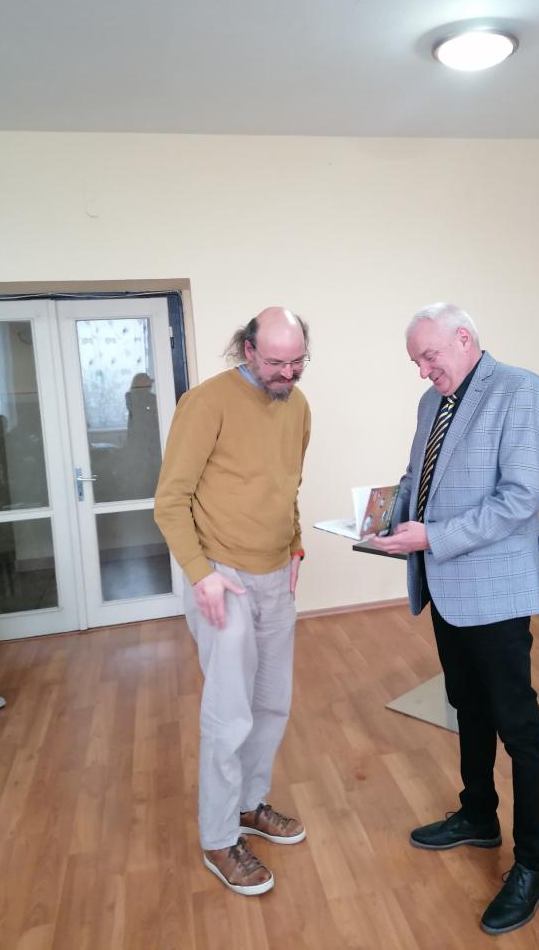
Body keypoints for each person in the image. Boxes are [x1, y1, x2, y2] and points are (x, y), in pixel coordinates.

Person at [372, 303, 539, 937]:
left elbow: (520, 499)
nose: (423, 371)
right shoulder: (432, 403)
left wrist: (432, 537)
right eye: (416, 362)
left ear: (465, 338)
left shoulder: (520, 390)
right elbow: (417, 478)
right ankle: (478, 815)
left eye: (429, 357)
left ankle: (534, 864)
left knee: (517, 726)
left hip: (495, 591)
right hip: (446, 586)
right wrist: (380, 520)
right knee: (467, 708)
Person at [154, 307, 311, 896]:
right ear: (247, 350)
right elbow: (170, 501)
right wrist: (201, 576)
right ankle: (219, 838)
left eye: (297, 362)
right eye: (275, 362)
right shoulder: (206, 403)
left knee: (272, 703)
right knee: (229, 714)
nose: (287, 374)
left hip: (275, 573)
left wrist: (294, 544)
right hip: (221, 575)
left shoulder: (298, 405)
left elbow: (288, 483)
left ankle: (249, 804)